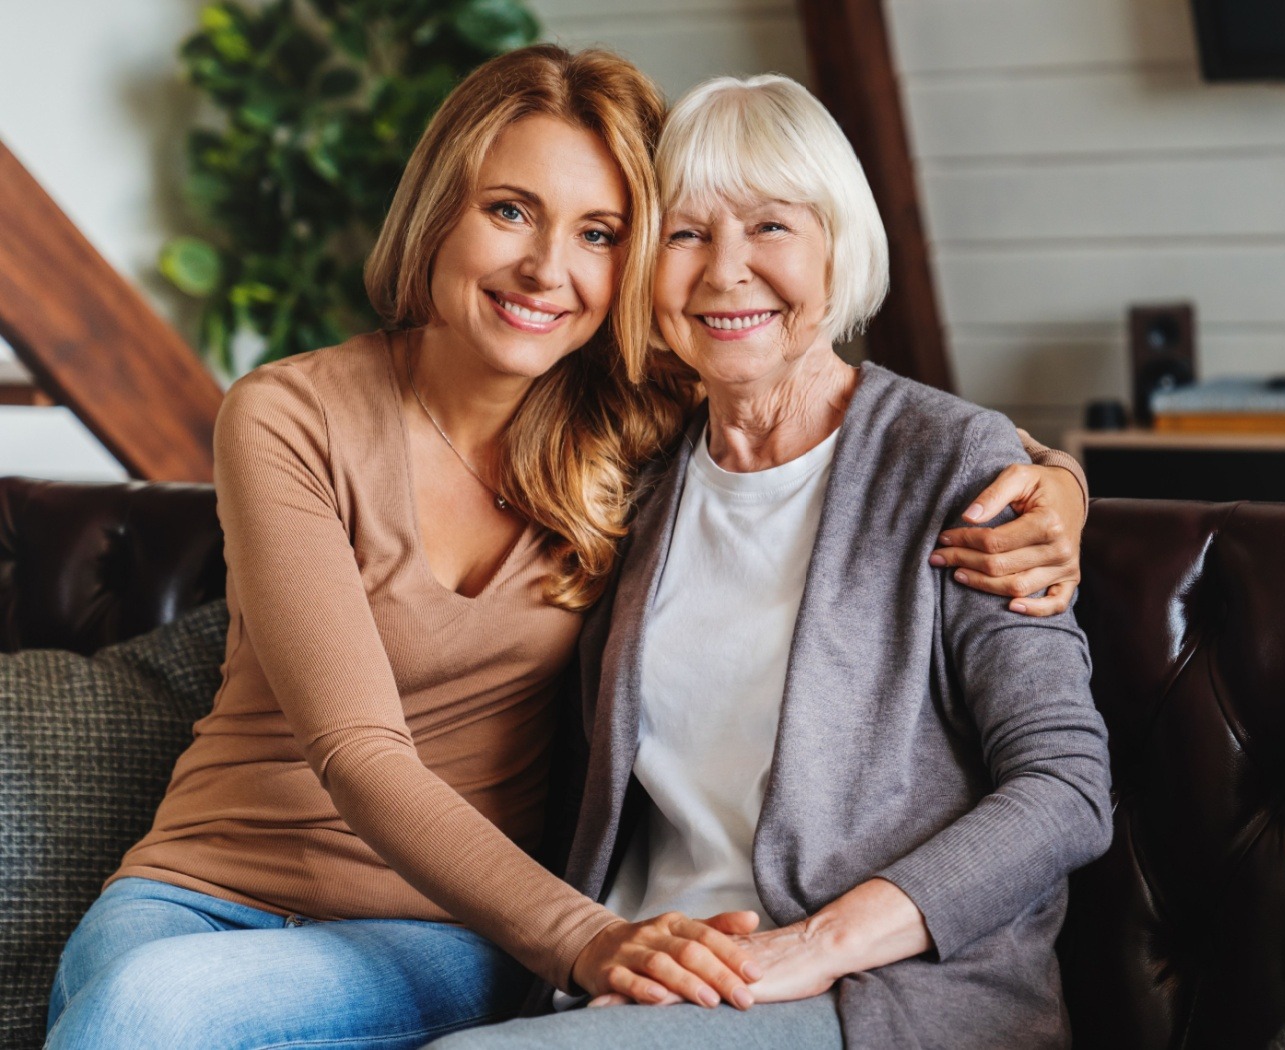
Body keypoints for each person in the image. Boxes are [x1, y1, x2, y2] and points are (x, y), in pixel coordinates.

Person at [44, 46, 1091, 1050]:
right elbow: (357, 754)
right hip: (195, 891)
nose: (548, 268)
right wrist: (592, 940)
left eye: (600, 233)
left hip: (448, 922)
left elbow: (850, 421)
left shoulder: (635, 417)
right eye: (510, 211)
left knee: (145, 1018)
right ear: (438, 215)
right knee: (133, 997)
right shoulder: (290, 413)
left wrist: (1060, 485)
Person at [427, 73, 1113, 1050]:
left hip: (865, 999)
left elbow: (1064, 791)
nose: (724, 271)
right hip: (641, 980)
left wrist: (813, 946)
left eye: (771, 228)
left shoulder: (956, 468)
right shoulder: (640, 478)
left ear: (840, 246)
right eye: (686, 233)